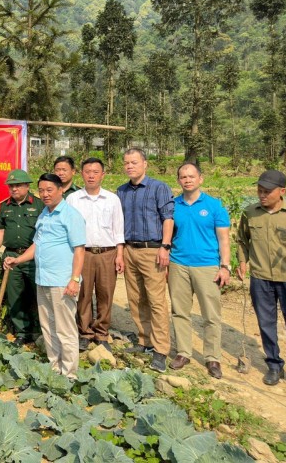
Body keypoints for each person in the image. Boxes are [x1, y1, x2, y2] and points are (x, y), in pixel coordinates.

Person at [4, 173, 86, 379]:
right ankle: (54, 367)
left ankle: (69, 374)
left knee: (65, 328)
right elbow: (37, 244)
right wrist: (18, 259)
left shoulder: (70, 215)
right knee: (48, 326)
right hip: (43, 279)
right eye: (41, 190)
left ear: (61, 190)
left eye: (50, 190)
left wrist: (75, 279)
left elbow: (79, 250)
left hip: (62, 281)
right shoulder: (44, 215)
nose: (45, 194)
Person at [168, 163, 231, 379]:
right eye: (183, 177)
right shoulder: (173, 205)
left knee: (211, 314)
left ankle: (212, 357)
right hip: (178, 264)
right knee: (180, 311)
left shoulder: (214, 206)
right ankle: (183, 352)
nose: (187, 180)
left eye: (191, 176)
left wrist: (225, 266)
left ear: (200, 179)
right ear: (178, 180)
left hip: (207, 266)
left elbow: (224, 239)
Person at [116, 148, 174, 373]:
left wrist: (165, 246)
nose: (130, 166)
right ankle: (145, 341)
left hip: (153, 250)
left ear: (145, 164)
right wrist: (120, 252)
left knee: (156, 300)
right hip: (130, 249)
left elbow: (167, 218)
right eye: (126, 162)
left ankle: (161, 350)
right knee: (136, 298)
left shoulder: (158, 187)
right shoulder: (121, 191)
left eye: (134, 162)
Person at [237, 169, 286, 386]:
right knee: (266, 322)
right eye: (259, 190)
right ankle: (274, 365)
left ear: (282, 191)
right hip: (260, 277)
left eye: (267, 191)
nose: (262, 194)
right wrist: (242, 261)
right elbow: (242, 240)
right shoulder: (250, 213)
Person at [66, 157, 125, 353]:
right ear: (81, 174)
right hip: (83, 252)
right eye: (87, 172)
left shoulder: (112, 199)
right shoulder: (73, 199)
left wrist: (119, 254)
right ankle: (85, 332)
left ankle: (101, 332)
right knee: (83, 294)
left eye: (95, 172)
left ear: (103, 175)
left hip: (107, 253)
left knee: (105, 293)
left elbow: (119, 229)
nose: (91, 175)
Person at [0, 169, 42, 346]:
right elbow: (0, 231)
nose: (14, 189)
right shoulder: (5, 206)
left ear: (27, 186)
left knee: (40, 295)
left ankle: (43, 330)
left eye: (18, 185)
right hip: (11, 256)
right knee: (15, 296)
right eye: (11, 186)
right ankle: (22, 332)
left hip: (34, 256)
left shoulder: (40, 205)